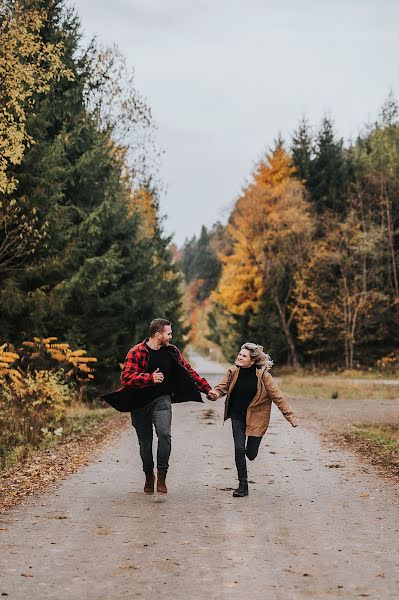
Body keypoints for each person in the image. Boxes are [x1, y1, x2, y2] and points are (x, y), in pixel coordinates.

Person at [106, 318, 212, 495]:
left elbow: (188, 371)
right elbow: (126, 378)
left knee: (164, 434)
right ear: (158, 335)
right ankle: (149, 475)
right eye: (168, 333)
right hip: (139, 403)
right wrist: (149, 378)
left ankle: (162, 476)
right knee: (145, 444)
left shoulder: (171, 351)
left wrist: (207, 389)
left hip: (162, 400)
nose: (171, 336)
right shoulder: (137, 352)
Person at [207, 342, 298, 497]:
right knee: (239, 449)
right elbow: (222, 388)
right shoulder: (233, 372)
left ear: (253, 360)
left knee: (251, 454)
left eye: (244, 356)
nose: (240, 357)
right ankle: (243, 485)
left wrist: (290, 416)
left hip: (257, 417)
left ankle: (252, 451)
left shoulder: (263, 376)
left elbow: (278, 397)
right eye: (240, 354)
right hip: (237, 415)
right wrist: (215, 393)